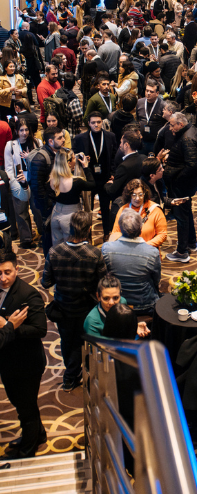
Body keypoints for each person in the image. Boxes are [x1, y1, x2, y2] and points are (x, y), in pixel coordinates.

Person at [41, 211, 107, 391]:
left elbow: (45, 282)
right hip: (87, 308)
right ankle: (77, 374)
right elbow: (103, 283)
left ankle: (70, 376)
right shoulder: (95, 253)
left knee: (67, 341)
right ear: (89, 229)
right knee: (83, 341)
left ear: (70, 228)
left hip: (62, 306)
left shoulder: (54, 251)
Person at [0, 250, 47, 459]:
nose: (3, 278)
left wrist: (11, 327)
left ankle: (28, 449)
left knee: (26, 408)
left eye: (7, 272)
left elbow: (40, 330)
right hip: (6, 360)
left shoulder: (28, 294)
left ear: (17, 269)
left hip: (27, 363)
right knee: (21, 402)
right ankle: (40, 434)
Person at [102, 210, 161, 316]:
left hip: (116, 303)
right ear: (141, 228)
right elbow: (156, 279)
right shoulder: (152, 252)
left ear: (120, 228)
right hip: (145, 305)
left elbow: (104, 275)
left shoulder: (106, 248)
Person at [163, 112, 197, 262]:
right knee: (186, 212)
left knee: (181, 217)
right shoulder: (191, 130)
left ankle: (182, 252)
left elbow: (191, 166)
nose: (170, 128)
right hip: (187, 183)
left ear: (180, 124)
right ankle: (191, 243)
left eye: (172, 125)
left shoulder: (187, 138)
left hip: (183, 184)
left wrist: (177, 178)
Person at [73, 112, 118, 239]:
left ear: (102, 122)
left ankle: (106, 233)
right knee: (88, 209)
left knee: (105, 207)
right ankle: (87, 234)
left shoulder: (110, 136)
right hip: (88, 178)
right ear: (88, 123)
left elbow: (114, 157)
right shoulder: (80, 138)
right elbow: (73, 156)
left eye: (98, 122)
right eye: (93, 122)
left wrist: (113, 173)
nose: (96, 125)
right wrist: (81, 158)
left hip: (105, 177)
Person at [4, 119, 43, 248]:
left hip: (34, 180)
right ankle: (26, 239)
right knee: (21, 212)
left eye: (26, 130)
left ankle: (43, 234)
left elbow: (41, 163)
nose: (24, 133)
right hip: (18, 182)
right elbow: (8, 168)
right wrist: (14, 183)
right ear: (16, 131)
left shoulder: (37, 143)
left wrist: (30, 157)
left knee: (38, 210)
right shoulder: (10, 145)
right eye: (21, 130)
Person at [28, 126, 66, 256]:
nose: (63, 140)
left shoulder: (57, 152)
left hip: (56, 202)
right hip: (47, 205)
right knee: (48, 236)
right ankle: (49, 261)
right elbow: (36, 187)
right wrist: (47, 205)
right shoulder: (40, 158)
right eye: (59, 138)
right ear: (50, 141)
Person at [48, 149, 95, 247]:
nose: (75, 159)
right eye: (73, 158)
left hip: (56, 214)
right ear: (68, 163)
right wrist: (86, 167)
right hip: (71, 217)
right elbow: (92, 185)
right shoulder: (77, 182)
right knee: (71, 248)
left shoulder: (52, 180)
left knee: (57, 248)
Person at [84, 275, 150, 338]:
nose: (111, 303)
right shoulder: (92, 321)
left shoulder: (122, 302)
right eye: (106, 298)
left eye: (115, 298)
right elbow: (99, 345)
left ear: (120, 294)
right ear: (98, 296)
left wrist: (134, 327)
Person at [110, 179, 167, 249]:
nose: (137, 198)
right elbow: (115, 233)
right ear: (129, 195)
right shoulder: (123, 210)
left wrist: (144, 247)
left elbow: (162, 234)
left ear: (145, 194)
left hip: (148, 250)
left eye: (140, 194)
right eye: (134, 195)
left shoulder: (155, 210)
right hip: (127, 250)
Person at [104, 131, 145, 204]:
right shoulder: (143, 158)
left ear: (126, 145)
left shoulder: (123, 167)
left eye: (121, 142)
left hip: (127, 203)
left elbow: (112, 190)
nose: (120, 145)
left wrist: (108, 184)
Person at [136, 79, 166, 155]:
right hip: (142, 141)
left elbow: (165, 124)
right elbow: (138, 118)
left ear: (157, 93)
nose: (148, 93)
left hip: (155, 142)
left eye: (151, 91)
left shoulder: (162, 105)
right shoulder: (139, 102)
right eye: (147, 91)